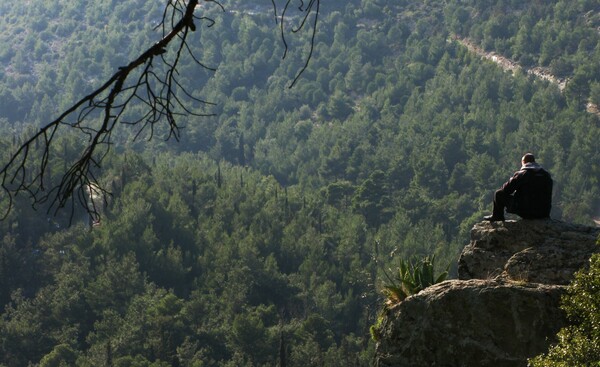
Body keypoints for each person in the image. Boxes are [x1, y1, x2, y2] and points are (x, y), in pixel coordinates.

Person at [484, 153, 553, 221]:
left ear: (523, 162)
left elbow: (506, 190)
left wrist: (513, 179)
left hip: (526, 212)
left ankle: (497, 216)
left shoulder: (522, 174)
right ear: (534, 161)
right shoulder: (546, 175)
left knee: (498, 194)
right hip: (544, 213)